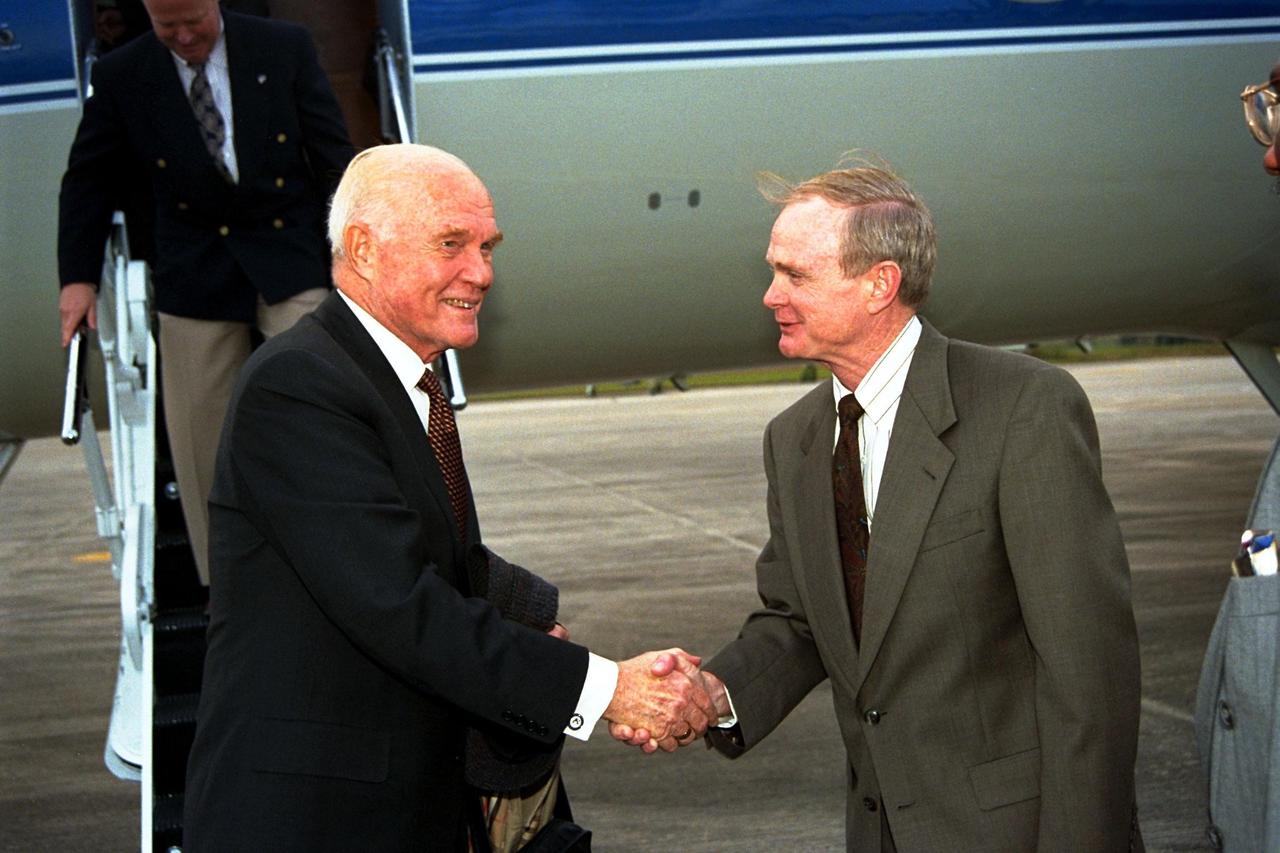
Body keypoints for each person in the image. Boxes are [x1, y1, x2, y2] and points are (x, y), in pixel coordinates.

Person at [181, 143, 716, 851]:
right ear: (365, 249)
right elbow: (401, 605)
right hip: (314, 817)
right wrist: (607, 688)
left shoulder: (397, 379)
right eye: (452, 244)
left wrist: (531, 615)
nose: (482, 272)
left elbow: (432, 552)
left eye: (488, 246)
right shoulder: (301, 385)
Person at [615, 160, 1145, 851]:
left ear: (879, 284)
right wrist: (712, 694)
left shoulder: (1022, 408)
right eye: (773, 271)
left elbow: (1089, 671)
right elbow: (802, 621)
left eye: (795, 275)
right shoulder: (796, 440)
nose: (771, 295)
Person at [57, 0, 355, 585]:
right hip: (194, 265)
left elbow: (332, 156)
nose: (185, 37)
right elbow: (88, 178)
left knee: (327, 402)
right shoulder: (123, 73)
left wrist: (353, 248)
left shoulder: (281, 47)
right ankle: (229, 586)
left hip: (286, 250)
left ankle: (345, 561)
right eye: (168, 27)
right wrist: (78, 277)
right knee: (200, 441)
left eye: (194, 21)